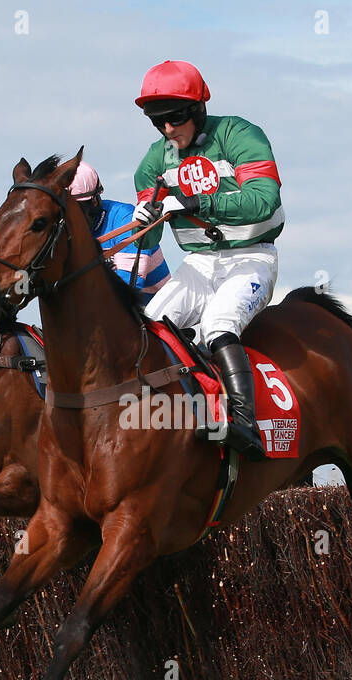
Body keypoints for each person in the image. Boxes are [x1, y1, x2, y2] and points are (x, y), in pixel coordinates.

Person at [131, 60, 283, 461]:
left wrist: (199, 201)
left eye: (176, 118)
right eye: (158, 121)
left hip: (251, 258)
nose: (168, 130)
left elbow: (265, 199)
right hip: (199, 264)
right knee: (151, 328)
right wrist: (144, 222)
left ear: (198, 108)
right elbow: (154, 234)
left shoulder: (239, 134)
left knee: (218, 323)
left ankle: (243, 423)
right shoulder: (154, 161)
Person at [67, 161, 169, 306]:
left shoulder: (124, 218)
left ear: (95, 201)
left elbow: (127, 285)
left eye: (76, 210)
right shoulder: (67, 232)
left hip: (152, 310)